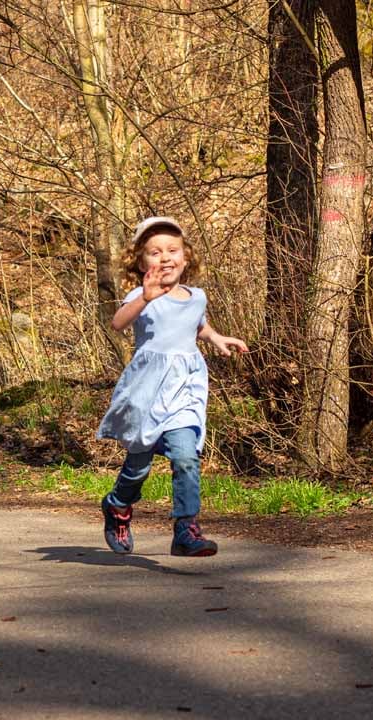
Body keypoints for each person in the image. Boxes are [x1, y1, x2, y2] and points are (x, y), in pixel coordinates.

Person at [97, 217, 248, 557]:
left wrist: (216, 338)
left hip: (184, 389)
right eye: (154, 252)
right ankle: (118, 505)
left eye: (172, 250)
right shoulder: (140, 294)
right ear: (140, 262)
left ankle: (186, 528)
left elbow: (198, 326)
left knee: (186, 456)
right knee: (139, 464)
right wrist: (145, 299)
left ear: (186, 257)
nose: (165, 257)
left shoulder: (197, 297)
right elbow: (118, 323)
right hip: (147, 391)